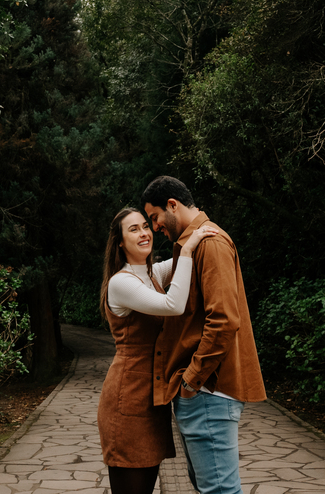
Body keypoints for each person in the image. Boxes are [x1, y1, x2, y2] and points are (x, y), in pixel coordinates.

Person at [141, 175, 266, 494]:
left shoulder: (210, 243)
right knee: (210, 487)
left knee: (219, 490)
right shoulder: (192, 245)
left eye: (154, 217)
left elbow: (223, 320)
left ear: (172, 205)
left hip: (207, 390)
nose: (154, 227)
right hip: (202, 392)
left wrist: (191, 381)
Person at [97, 206, 220, 494]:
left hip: (152, 398)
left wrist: (195, 222)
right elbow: (172, 305)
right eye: (133, 229)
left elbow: (176, 265)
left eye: (145, 226)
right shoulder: (121, 282)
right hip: (128, 398)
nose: (144, 233)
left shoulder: (150, 274)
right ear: (119, 243)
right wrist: (187, 249)